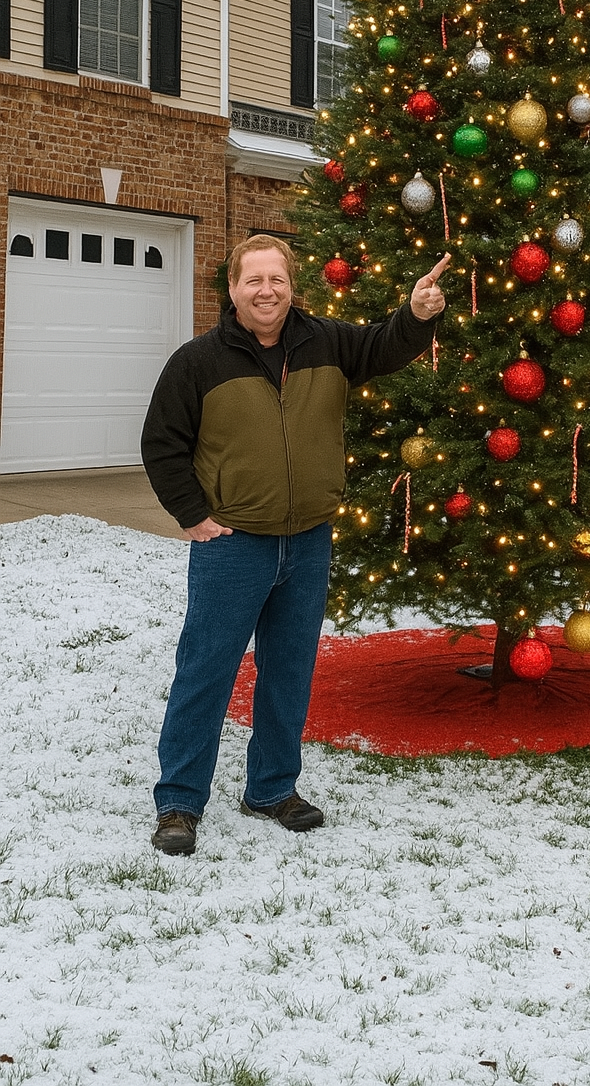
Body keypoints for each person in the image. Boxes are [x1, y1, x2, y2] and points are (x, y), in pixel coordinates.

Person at [141, 234, 448, 856]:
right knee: (206, 671)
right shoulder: (198, 361)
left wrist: (415, 315)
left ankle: (273, 788)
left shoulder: (327, 342)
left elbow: (386, 347)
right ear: (232, 290)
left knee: (289, 671)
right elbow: (161, 442)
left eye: (275, 280)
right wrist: (192, 515)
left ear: (291, 286)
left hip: (307, 540)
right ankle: (179, 800)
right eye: (252, 280)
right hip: (233, 545)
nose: (265, 291)